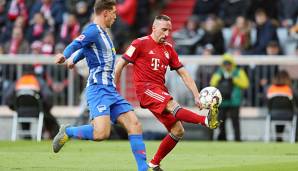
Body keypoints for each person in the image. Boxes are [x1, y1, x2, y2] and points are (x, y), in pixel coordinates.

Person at [115, 14, 220, 171]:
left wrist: (196, 95)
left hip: (159, 90)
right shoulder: (139, 43)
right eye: (164, 30)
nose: (166, 34)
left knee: (178, 131)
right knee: (172, 104)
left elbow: (183, 72)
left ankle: (155, 163)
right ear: (154, 28)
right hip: (146, 89)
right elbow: (120, 64)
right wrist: (114, 88)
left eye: (169, 31)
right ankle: (205, 120)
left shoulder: (168, 49)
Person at [52, 1, 148, 171]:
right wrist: (65, 55)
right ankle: (68, 132)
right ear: (105, 13)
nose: (116, 16)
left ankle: (143, 169)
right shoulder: (93, 29)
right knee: (101, 133)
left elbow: (86, 49)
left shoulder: (103, 34)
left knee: (134, 124)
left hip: (110, 90)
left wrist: (74, 60)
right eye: (114, 13)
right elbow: (77, 43)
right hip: (98, 88)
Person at [4, 65, 59, 139]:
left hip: (20, 111)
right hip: (37, 110)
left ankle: (26, 137)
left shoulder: (18, 81)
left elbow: (7, 97)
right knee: (49, 118)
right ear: (34, 72)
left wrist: (15, 107)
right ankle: (52, 136)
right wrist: (46, 107)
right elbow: (48, 96)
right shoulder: (38, 81)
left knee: (24, 113)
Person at [210, 54, 249, 141]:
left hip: (234, 100)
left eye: (229, 64)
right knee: (221, 121)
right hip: (222, 100)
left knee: (235, 121)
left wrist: (234, 79)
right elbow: (212, 83)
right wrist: (220, 78)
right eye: (225, 64)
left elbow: (245, 84)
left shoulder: (238, 72)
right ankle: (222, 138)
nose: (227, 66)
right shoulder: (219, 72)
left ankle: (237, 138)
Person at [266, 70, 296, 142]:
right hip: (288, 114)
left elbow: (268, 103)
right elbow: (293, 103)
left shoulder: (271, 89)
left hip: (273, 114)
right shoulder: (289, 90)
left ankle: (279, 138)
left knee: (279, 113)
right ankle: (295, 137)